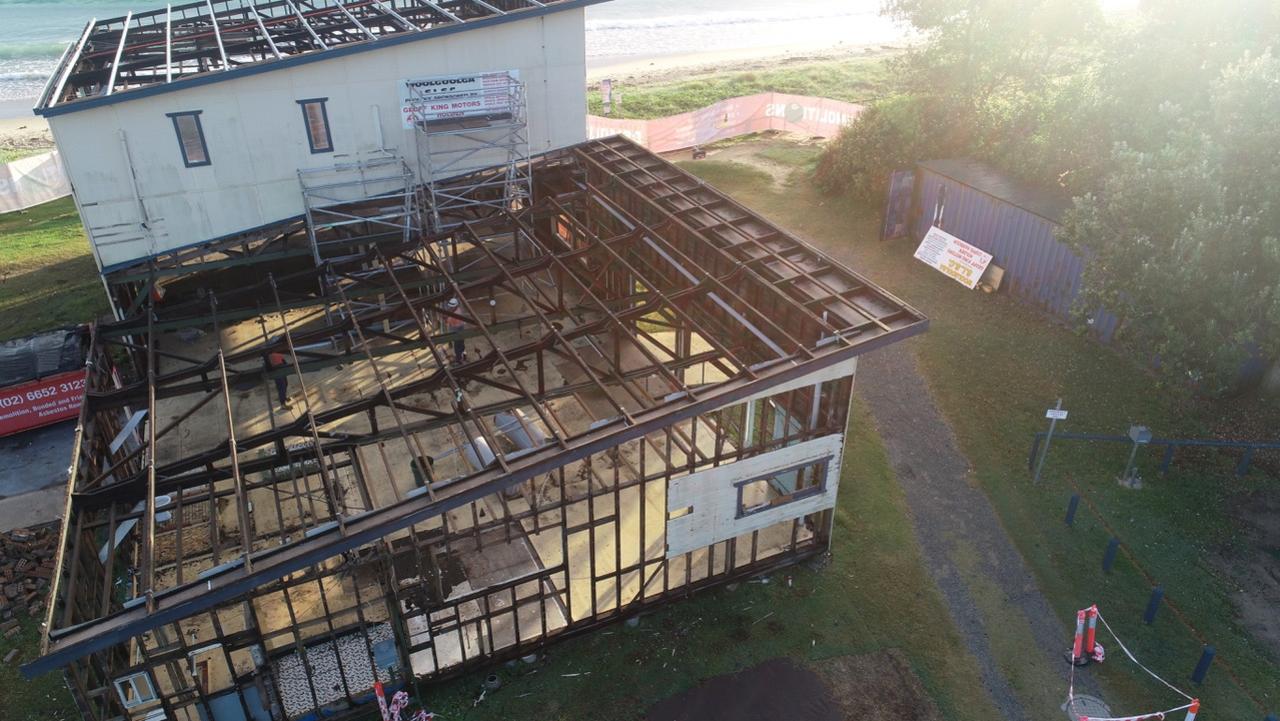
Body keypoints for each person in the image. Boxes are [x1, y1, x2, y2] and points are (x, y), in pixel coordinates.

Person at [444, 297, 466, 365]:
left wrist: (445, 317)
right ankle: (463, 355)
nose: (451, 308)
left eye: (452, 307)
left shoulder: (455, 315)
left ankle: (459, 360)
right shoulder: (458, 309)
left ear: (455, 306)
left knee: (457, 345)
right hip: (461, 328)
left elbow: (447, 321)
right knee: (461, 343)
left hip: (457, 329)